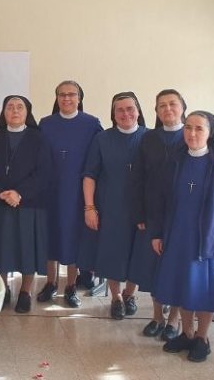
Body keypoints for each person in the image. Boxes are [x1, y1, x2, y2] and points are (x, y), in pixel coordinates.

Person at [151, 111, 214, 362]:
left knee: (204, 290)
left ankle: (202, 338)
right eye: (188, 127)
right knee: (183, 286)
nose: (191, 133)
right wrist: (157, 233)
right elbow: (160, 201)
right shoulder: (174, 162)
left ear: (210, 133)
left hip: (208, 241)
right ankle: (187, 333)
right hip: (177, 237)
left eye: (199, 128)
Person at [0, 95, 52, 313]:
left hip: (29, 203)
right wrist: (1, 193)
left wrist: (19, 193)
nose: (14, 111)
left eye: (19, 107)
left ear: (27, 112)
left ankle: (25, 292)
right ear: (3, 112)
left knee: (27, 249)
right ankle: (3, 289)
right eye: (10, 107)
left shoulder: (39, 138)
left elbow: (44, 173)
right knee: (0, 248)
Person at [37, 81, 103, 308]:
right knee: (51, 236)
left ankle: (71, 286)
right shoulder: (46, 124)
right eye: (62, 95)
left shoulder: (91, 123)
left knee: (73, 238)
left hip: (77, 191)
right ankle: (50, 282)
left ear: (79, 98)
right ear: (56, 98)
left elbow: (98, 158)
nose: (67, 98)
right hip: (50, 190)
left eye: (72, 94)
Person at [82, 92, 148, 320]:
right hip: (111, 207)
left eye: (130, 108)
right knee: (113, 254)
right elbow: (90, 175)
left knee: (137, 254)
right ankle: (116, 297)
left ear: (138, 111)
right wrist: (89, 207)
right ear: (113, 113)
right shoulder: (102, 139)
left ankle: (130, 294)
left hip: (142, 209)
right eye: (119, 109)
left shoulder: (150, 138)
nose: (125, 113)